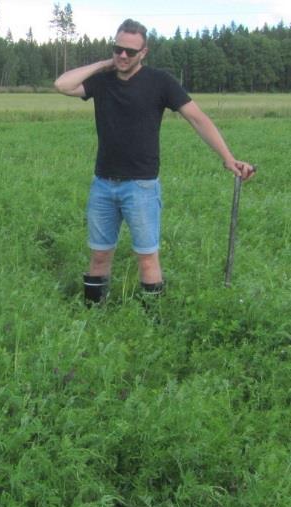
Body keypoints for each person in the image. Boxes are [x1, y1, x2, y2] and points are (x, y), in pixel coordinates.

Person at [54, 19, 254, 306]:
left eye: (131, 52)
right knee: (99, 256)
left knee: (147, 259)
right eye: (118, 49)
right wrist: (102, 64)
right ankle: (93, 315)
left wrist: (228, 158)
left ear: (144, 52)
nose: (123, 56)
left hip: (141, 187)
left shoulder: (160, 82)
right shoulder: (102, 81)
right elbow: (61, 84)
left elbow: (198, 119)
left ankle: (151, 324)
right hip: (103, 184)